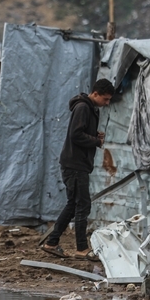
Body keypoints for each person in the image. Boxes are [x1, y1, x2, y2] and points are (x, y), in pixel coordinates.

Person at [42, 78, 115, 259]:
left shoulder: (89, 109)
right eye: (105, 99)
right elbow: (75, 135)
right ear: (95, 94)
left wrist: (93, 135)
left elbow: (80, 132)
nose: (107, 103)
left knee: (74, 204)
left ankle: (52, 242)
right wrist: (96, 141)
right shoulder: (83, 108)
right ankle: (81, 249)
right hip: (75, 164)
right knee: (82, 204)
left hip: (77, 163)